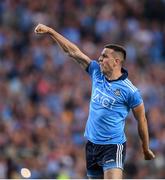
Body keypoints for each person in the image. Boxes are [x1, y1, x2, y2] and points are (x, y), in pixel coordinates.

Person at [34, 23, 155, 179]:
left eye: (104, 56)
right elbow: (73, 52)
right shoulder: (96, 72)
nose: (100, 58)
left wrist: (145, 148)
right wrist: (51, 32)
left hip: (113, 146)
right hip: (92, 145)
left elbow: (142, 120)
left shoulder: (130, 91)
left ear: (116, 62)